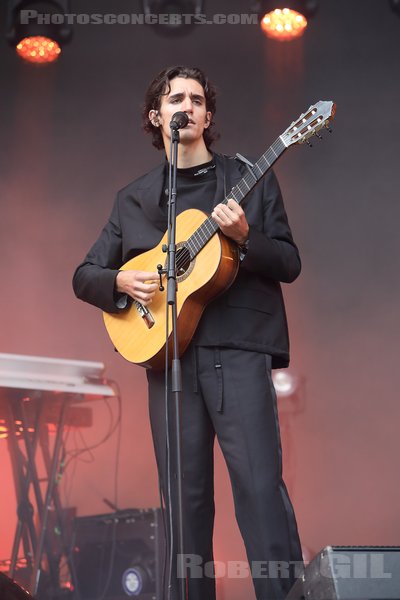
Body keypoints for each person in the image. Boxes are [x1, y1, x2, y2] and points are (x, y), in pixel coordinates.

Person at [73, 65, 303, 600]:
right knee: (183, 504)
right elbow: (84, 276)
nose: (187, 106)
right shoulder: (133, 199)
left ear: (208, 115)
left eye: (197, 100)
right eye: (175, 98)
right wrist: (120, 280)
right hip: (170, 359)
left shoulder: (250, 178)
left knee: (260, 493)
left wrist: (245, 239)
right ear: (157, 117)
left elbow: (289, 261)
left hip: (239, 353)